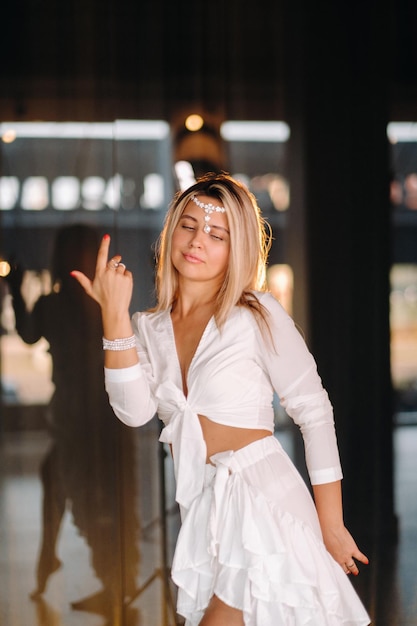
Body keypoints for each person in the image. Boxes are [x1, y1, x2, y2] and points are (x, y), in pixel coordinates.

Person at [72, 173, 371, 626]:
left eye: (217, 234)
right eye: (188, 225)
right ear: (172, 231)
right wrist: (114, 318)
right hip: (203, 513)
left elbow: (314, 409)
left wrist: (331, 522)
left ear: (238, 249)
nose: (197, 241)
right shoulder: (148, 328)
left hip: (261, 502)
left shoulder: (256, 312)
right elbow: (134, 413)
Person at [7, 224, 139, 618]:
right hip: (105, 413)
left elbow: (28, 334)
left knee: (84, 494)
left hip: (74, 415)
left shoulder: (55, 304)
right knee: (95, 494)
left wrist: (15, 289)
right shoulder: (98, 304)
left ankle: (97, 579)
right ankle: (110, 580)